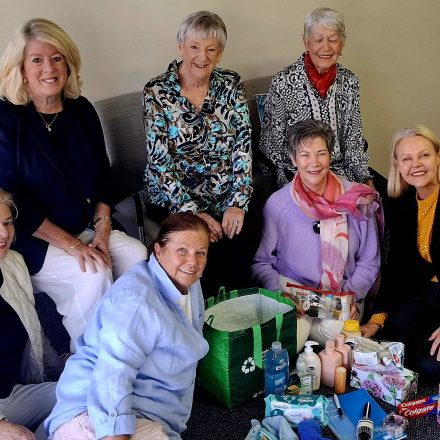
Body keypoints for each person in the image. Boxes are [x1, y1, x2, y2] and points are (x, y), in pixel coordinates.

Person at [0, 18, 147, 352]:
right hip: (34, 238)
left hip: (86, 226)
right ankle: (90, 362)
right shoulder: (7, 117)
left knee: (137, 256)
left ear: (68, 63)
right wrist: (72, 245)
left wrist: (103, 229)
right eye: (37, 60)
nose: (49, 68)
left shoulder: (81, 110)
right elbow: (10, 197)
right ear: (21, 69)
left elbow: (103, 175)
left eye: (57, 58)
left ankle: (135, 348)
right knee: (92, 273)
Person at [45, 212, 210, 440]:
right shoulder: (136, 302)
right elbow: (112, 377)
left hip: (146, 413)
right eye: (182, 250)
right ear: (158, 251)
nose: (192, 261)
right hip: (97, 417)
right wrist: (115, 435)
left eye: (201, 252)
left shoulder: (190, 283)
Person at [143, 11, 254, 295]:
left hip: (224, 193)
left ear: (220, 53)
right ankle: (208, 311)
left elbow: (243, 145)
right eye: (194, 47)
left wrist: (237, 202)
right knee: (201, 242)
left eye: (211, 49)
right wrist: (195, 213)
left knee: (244, 232)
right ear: (181, 47)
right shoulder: (156, 91)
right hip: (174, 197)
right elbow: (159, 164)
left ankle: (240, 307)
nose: (202, 57)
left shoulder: (231, 84)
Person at [252, 119, 381, 350]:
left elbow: (370, 261)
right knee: (289, 340)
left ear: (330, 156)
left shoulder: (358, 199)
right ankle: (304, 339)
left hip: (342, 293)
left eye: (321, 153)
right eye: (304, 155)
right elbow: (262, 262)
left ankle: (310, 342)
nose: (314, 162)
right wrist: (279, 294)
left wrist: (351, 295)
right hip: (293, 291)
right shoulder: (278, 204)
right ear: (293, 160)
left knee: (338, 334)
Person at [259, 7, 371, 189]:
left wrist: (365, 179)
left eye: (333, 39)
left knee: (371, 202)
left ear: (342, 44)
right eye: (318, 40)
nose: (326, 47)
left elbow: (354, 140)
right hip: (298, 174)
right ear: (306, 42)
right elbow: (271, 147)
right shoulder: (283, 82)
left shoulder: (350, 82)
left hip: (341, 172)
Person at [361, 125, 440, 382]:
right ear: (397, 164)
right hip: (424, 293)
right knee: (392, 346)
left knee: (430, 366)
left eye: (424, 155)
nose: (416, 164)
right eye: (407, 158)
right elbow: (395, 268)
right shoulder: (401, 203)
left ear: (438, 157)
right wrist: (375, 320)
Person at [0, 189, 63, 440]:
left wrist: (62, 370)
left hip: (12, 393)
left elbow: (34, 330)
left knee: (87, 390)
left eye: (7, 222)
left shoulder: (13, 263)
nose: (4, 233)